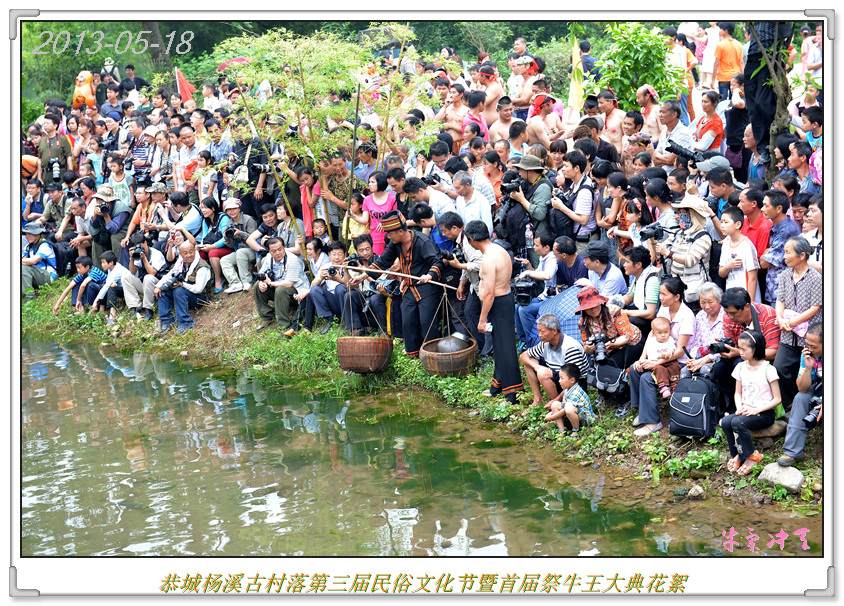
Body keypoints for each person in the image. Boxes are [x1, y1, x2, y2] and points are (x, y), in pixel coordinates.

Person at [350, 210, 444, 359]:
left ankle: (433, 356)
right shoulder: (395, 244)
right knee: (407, 321)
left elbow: (437, 261)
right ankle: (413, 355)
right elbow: (382, 262)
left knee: (427, 322)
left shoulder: (422, 241)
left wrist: (429, 275)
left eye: (390, 233)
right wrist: (362, 277)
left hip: (426, 286)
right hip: (408, 287)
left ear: (400, 231)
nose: (388, 236)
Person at [627, 277, 694, 431]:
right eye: (660, 294)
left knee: (646, 377)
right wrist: (642, 358)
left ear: (677, 297)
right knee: (635, 368)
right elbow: (653, 332)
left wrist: (655, 363)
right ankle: (642, 410)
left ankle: (652, 422)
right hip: (658, 354)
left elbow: (679, 351)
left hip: (677, 360)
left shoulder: (686, 315)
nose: (661, 298)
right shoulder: (664, 308)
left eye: (664, 294)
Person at [467, 220, 522, 403]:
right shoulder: (500, 250)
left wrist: (482, 319)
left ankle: (512, 393)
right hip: (504, 299)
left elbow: (489, 293)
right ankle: (497, 386)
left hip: (497, 302)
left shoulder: (490, 258)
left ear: (472, 239)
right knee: (500, 346)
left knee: (505, 347)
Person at [710, 287, 781, 413]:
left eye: (734, 313)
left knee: (740, 363)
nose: (730, 317)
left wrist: (741, 353)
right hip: (740, 354)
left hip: (762, 360)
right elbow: (731, 344)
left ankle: (755, 404)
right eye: (727, 313)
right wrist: (725, 348)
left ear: (747, 306)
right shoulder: (728, 317)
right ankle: (733, 402)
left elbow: (774, 352)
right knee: (719, 368)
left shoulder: (767, 314)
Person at [722, 329, 781, 475]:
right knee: (725, 422)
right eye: (739, 347)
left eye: (743, 349)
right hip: (746, 411)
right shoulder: (740, 367)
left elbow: (777, 399)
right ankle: (738, 454)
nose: (739, 351)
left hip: (764, 413)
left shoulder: (769, 369)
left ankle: (751, 456)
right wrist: (739, 408)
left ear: (755, 349)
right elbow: (738, 392)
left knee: (737, 423)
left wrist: (757, 410)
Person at [773, 236, 822, 409]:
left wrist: (793, 322)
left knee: (803, 370)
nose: (784, 256)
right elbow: (780, 300)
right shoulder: (785, 275)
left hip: (807, 335)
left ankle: (806, 405)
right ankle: (789, 404)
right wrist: (780, 319)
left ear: (801, 255)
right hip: (787, 333)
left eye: (788, 252)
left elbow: (815, 307)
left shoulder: (815, 278)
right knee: (779, 368)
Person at [652, 195, 714, 313]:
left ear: (693, 215)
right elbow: (663, 249)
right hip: (675, 288)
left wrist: (668, 253)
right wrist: (653, 240)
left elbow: (690, 260)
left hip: (692, 291)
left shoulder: (703, 237)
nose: (678, 216)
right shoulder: (680, 233)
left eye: (682, 213)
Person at [520, 313, 588, 410]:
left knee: (542, 373)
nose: (540, 335)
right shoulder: (545, 343)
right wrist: (536, 366)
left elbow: (574, 381)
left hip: (575, 385)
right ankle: (538, 399)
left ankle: (557, 405)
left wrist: (556, 400)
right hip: (560, 377)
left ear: (554, 331)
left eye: (542, 332)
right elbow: (524, 355)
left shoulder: (570, 347)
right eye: (538, 331)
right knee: (530, 361)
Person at [779, 322, 822, 466]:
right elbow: (802, 388)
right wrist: (808, 368)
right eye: (807, 344)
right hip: (818, 388)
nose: (809, 349)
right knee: (801, 398)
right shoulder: (808, 354)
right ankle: (792, 453)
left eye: (814, 346)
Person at [253, 237, 310, 333]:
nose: (277, 253)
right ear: (270, 252)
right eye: (274, 251)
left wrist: (270, 283)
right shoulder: (268, 258)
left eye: (280, 249)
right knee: (257, 287)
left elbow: (289, 283)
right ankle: (266, 317)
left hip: (297, 292)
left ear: (284, 248)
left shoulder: (292, 259)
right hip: (279, 287)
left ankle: (283, 324)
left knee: (281, 289)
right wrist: (261, 282)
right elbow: (261, 274)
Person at [154, 240, 210, 334]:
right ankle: (167, 320)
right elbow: (170, 274)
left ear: (194, 250)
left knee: (179, 290)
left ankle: (186, 322)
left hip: (200, 298)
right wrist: (158, 286)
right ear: (180, 254)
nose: (189, 255)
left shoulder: (202, 267)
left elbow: (199, 289)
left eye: (191, 252)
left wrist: (182, 285)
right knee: (163, 290)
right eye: (185, 253)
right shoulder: (181, 263)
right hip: (185, 294)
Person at [514, 231, 557, 346]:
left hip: (552, 300)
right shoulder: (543, 257)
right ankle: (523, 340)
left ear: (547, 247)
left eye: (537, 245)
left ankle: (534, 343)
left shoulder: (552, 258)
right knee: (517, 305)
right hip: (543, 297)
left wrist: (528, 272)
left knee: (524, 310)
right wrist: (528, 265)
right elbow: (536, 274)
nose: (534, 247)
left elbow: (547, 275)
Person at [759, 189, 801, 304]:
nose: (762, 209)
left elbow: (764, 263)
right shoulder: (780, 226)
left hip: (783, 293)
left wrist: (765, 254)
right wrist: (766, 253)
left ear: (778, 209)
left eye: (766, 206)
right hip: (776, 290)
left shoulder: (786, 230)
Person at [121, 231, 168, 322]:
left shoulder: (156, 254)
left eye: (140, 245)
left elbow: (153, 273)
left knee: (148, 277)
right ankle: (136, 307)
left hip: (159, 286)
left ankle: (148, 309)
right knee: (125, 277)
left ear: (145, 242)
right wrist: (132, 258)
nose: (138, 248)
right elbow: (133, 272)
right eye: (135, 246)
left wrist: (144, 259)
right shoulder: (138, 254)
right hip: (147, 287)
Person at [718, 205, 760, 302]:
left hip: (744, 295)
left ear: (737, 224)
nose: (722, 225)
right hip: (731, 294)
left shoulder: (746, 246)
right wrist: (728, 266)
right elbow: (721, 273)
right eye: (721, 222)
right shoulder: (726, 244)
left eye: (726, 222)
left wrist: (750, 303)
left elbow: (752, 278)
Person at [684, 282, 726, 376]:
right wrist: (693, 358)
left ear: (719, 300)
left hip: (719, 358)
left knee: (705, 371)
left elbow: (726, 346)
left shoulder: (726, 316)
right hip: (701, 356)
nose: (706, 306)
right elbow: (696, 341)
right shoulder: (700, 315)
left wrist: (707, 359)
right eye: (703, 302)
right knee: (685, 371)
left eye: (710, 302)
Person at [618, 245, 660, 335]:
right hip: (642, 311)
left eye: (627, 262)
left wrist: (625, 312)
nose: (624, 265)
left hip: (653, 321)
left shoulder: (652, 280)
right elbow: (630, 296)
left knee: (627, 320)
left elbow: (651, 313)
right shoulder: (639, 275)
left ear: (638, 265)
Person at [543, 364, 594, 434]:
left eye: (562, 378)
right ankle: (562, 431)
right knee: (555, 404)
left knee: (569, 409)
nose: (559, 381)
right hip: (573, 414)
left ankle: (576, 430)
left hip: (585, 419)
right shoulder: (567, 390)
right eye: (559, 378)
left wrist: (551, 417)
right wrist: (551, 413)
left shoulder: (576, 393)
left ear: (572, 380)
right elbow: (564, 405)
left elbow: (565, 410)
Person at [642, 317, 681, 399]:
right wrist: (660, 356)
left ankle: (675, 384)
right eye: (659, 333)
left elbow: (673, 348)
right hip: (656, 362)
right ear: (653, 333)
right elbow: (651, 355)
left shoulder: (670, 339)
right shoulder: (651, 342)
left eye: (666, 332)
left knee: (675, 366)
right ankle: (664, 387)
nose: (663, 335)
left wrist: (670, 352)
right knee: (659, 370)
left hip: (669, 360)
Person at [21, 223, 57, 297]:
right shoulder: (28, 246)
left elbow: (34, 261)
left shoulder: (44, 245)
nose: (27, 236)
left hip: (48, 276)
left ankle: (29, 297)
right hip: (36, 273)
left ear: (37, 233)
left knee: (23, 267)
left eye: (30, 234)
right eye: (26, 234)